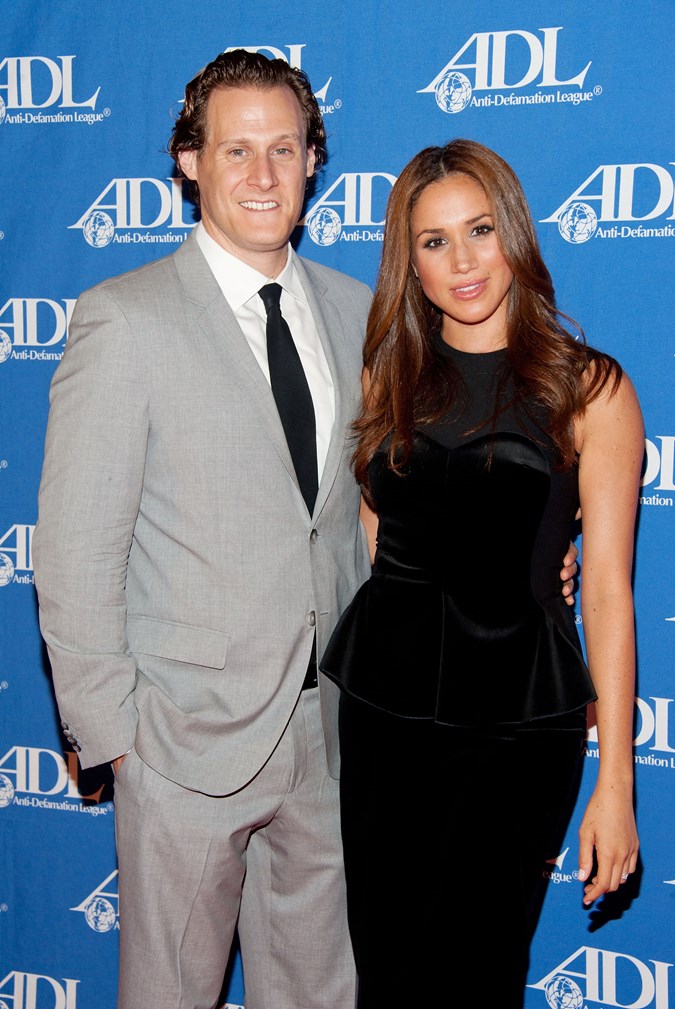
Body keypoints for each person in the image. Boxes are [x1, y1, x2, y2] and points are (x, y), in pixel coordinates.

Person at [32, 50, 372, 1009]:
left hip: (331, 734)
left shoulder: (359, 314)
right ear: (189, 161)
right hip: (180, 745)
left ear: (314, 161)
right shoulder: (124, 320)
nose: (262, 177)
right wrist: (117, 739)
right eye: (235, 151)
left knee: (321, 994)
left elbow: (368, 519)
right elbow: (74, 549)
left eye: (284, 149)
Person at [320, 139, 642, 1008]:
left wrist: (616, 781)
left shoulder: (590, 390)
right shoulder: (386, 377)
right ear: (409, 263)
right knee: (385, 971)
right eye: (432, 241)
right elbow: (378, 531)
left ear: (515, 235)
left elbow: (608, 589)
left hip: (516, 721)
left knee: (477, 972)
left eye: (479, 229)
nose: (461, 260)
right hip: (384, 707)